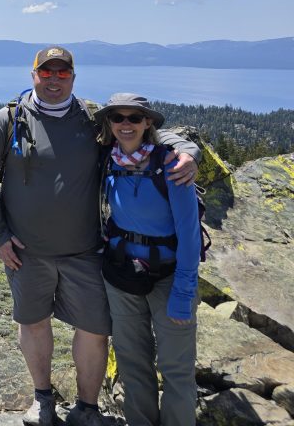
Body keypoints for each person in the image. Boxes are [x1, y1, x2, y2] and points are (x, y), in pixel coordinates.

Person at [0, 47, 200, 426]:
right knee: (33, 323)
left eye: (63, 74)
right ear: (33, 76)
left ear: (73, 78)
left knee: (95, 330)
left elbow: (143, 138)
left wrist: (188, 150)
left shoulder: (89, 119)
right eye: (46, 73)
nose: (54, 80)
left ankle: (87, 407)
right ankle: (42, 399)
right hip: (26, 251)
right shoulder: (8, 120)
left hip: (86, 251)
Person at [95, 93, 200, 426]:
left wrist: (184, 292)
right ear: (109, 124)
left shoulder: (170, 164)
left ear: (148, 123)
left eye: (134, 118)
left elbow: (189, 234)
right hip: (122, 274)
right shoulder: (105, 160)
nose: (126, 125)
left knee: (176, 368)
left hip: (170, 278)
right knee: (132, 364)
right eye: (118, 118)